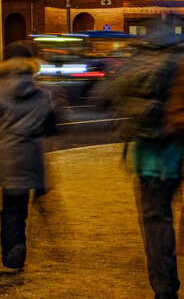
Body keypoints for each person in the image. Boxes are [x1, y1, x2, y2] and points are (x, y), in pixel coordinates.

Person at [101, 25, 184, 299]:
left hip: (150, 160)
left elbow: (106, 95)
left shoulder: (138, 63)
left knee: (156, 223)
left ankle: (164, 288)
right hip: (178, 149)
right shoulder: (180, 61)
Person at [0, 42, 63, 271]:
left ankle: (14, 249)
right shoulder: (41, 93)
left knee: (10, 207)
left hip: (8, 160)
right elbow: (52, 124)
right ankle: (19, 245)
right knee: (21, 208)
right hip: (33, 159)